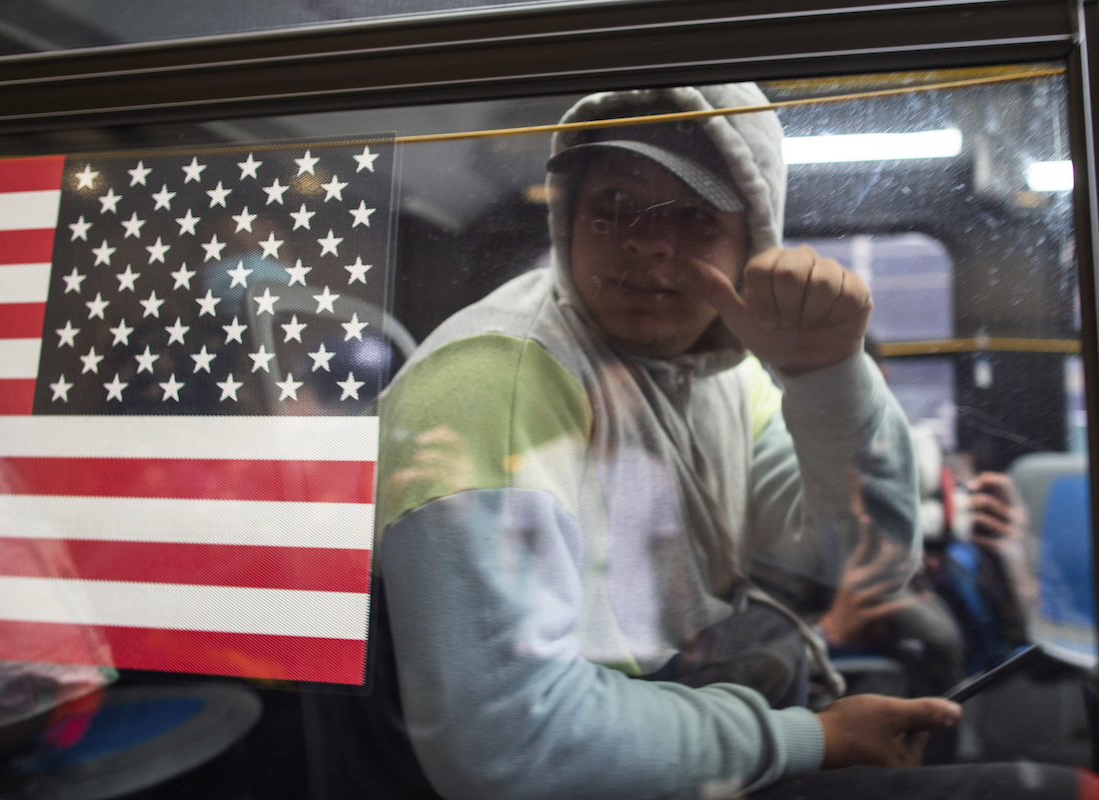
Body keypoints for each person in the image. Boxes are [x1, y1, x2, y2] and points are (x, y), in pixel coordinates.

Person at [303, 84, 1093, 800]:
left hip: (679, 734)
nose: (648, 245)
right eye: (615, 206)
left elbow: (863, 560)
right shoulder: (489, 382)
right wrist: (810, 740)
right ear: (569, 215)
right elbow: (508, 744)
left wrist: (828, 377)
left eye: (694, 216)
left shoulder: (727, 374)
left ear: (754, 239)